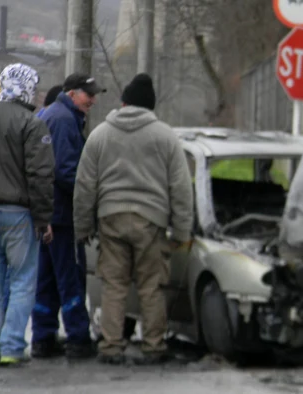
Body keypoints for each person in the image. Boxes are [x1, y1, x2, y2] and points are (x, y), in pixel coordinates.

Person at [73, 74, 193, 365]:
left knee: (114, 285)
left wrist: (83, 227)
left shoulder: (100, 134)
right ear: (150, 108)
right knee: (151, 285)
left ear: (123, 103)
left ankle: (111, 346)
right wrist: (182, 231)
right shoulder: (166, 136)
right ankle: (154, 346)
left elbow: (85, 184)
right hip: (150, 220)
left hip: (110, 219)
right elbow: (180, 187)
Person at [31, 73, 106, 360]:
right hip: (63, 216)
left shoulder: (52, 114)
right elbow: (66, 171)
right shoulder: (63, 120)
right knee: (71, 277)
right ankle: (77, 338)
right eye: (89, 94)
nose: (93, 100)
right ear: (72, 93)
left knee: (47, 280)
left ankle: (43, 337)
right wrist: (90, 194)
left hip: (50, 212)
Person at [0, 63, 55, 366]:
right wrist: (43, 218)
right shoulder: (32, 125)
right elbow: (41, 175)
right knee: (22, 281)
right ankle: (10, 347)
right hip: (19, 215)